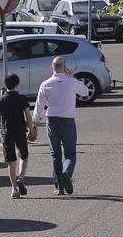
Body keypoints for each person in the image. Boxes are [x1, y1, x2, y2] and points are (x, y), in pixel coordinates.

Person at [32, 55, 90, 195]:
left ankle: (59, 187)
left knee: (55, 155)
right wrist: (73, 77)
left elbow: (39, 107)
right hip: (68, 122)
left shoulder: (45, 84)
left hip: (52, 122)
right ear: (65, 67)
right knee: (70, 154)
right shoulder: (70, 82)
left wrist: (34, 124)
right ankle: (67, 172)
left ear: (51, 68)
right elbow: (85, 92)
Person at [0, 73, 34, 198]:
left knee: (11, 162)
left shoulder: (1, 100)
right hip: (20, 131)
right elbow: (28, 116)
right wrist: (31, 130)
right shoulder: (22, 98)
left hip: (7, 132)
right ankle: (21, 177)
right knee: (24, 156)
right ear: (18, 84)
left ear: (5, 85)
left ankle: (14, 190)